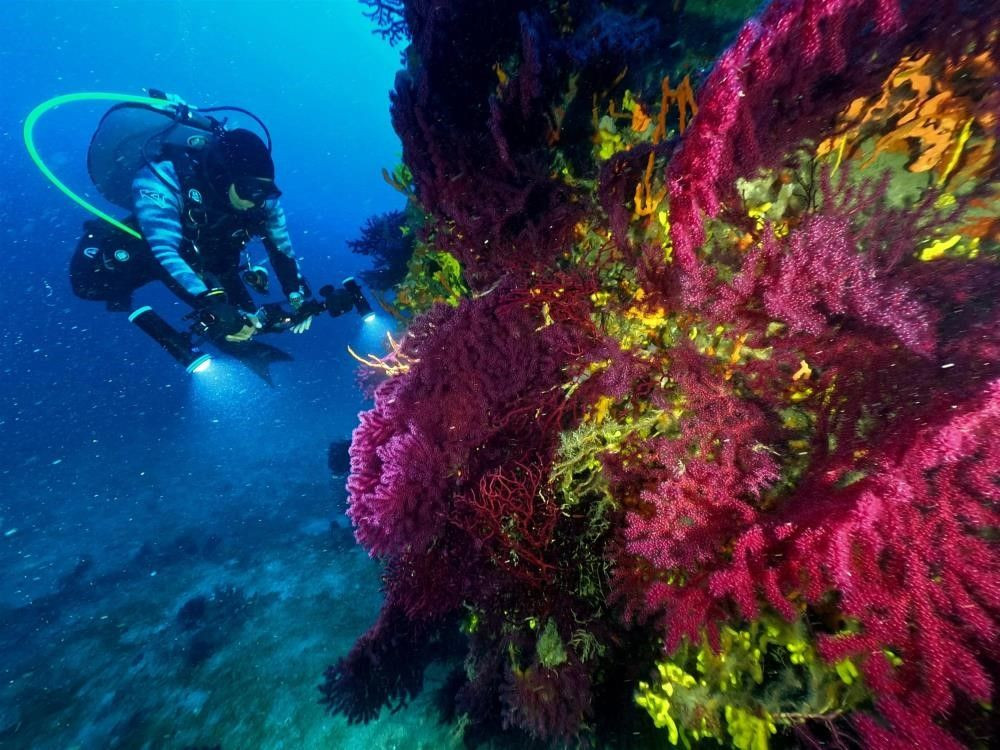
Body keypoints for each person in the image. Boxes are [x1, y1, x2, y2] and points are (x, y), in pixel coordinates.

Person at [70, 127, 314, 341]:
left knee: (248, 321)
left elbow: (282, 249)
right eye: (249, 189)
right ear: (224, 174)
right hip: (155, 250)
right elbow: (164, 250)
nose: (257, 199)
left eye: (266, 190)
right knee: (89, 285)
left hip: (214, 259)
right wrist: (209, 303)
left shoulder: (262, 201)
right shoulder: (163, 177)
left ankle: (228, 323)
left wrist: (297, 297)